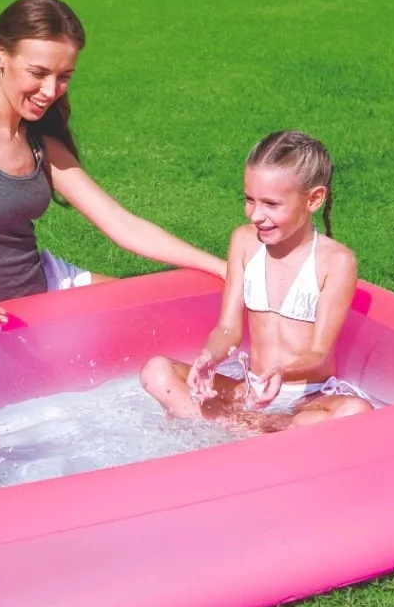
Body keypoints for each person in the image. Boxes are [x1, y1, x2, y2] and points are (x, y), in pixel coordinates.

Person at [0, 0, 226, 324]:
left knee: (167, 317)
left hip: (50, 285)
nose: (51, 91)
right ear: (1, 55)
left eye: (64, 76)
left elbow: (121, 224)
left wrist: (224, 268)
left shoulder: (38, 141)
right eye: (38, 73)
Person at [140, 131, 374, 431]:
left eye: (271, 204)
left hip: (307, 399)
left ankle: (237, 430)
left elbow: (318, 353)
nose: (256, 215)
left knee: (356, 411)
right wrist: (210, 356)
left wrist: (282, 371)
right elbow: (228, 328)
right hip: (250, 391)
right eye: (249, 200)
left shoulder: (336, 261)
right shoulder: (244, 242)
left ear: (314, 199)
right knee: (156, 372)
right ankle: (258, 432)